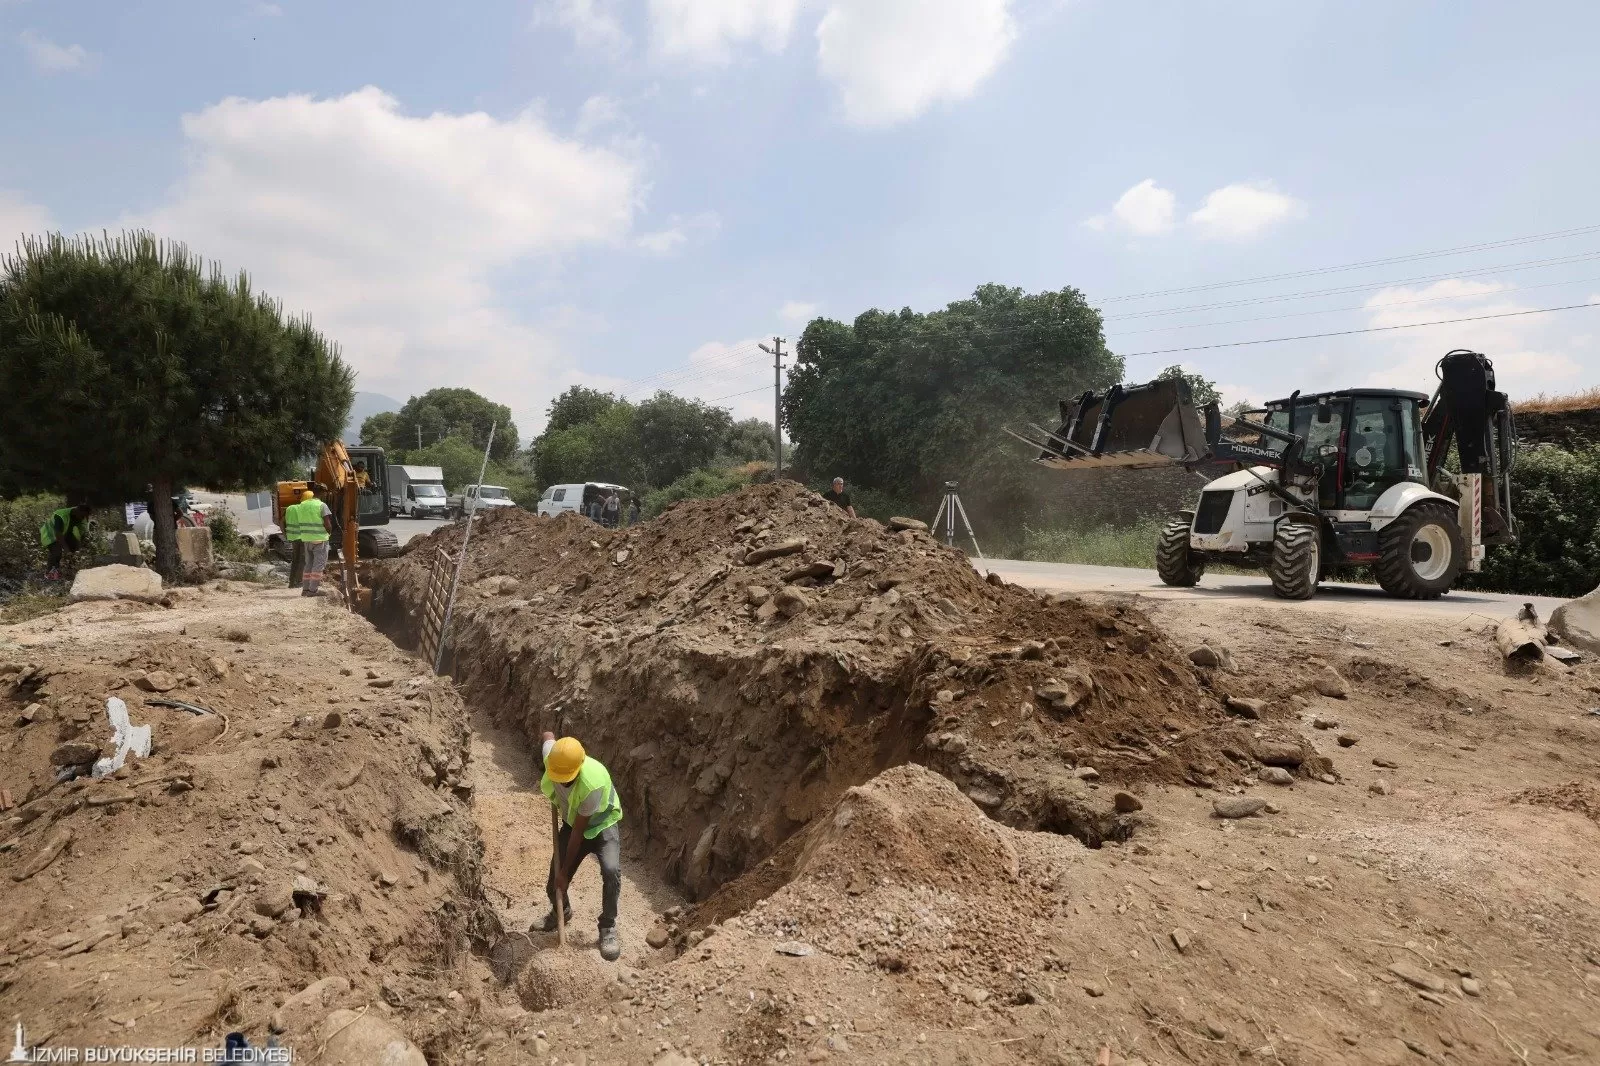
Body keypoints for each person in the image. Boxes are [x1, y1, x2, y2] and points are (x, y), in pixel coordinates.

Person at [536, 732, 623, 961]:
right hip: (572, 823)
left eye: (568, 778)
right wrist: (560, 875)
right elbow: (547, 735)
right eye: (559, 777)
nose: (563, 782)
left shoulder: (591, 783)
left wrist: (565, 872)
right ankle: (561, 911)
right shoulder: (553, 757)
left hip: (602, 825)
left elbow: (578, 833)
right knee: (552, 884)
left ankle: (608, 927)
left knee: (611, 871)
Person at [289, 485, 333, 597]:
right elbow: (328, 524)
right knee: (318, 566)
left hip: (306, 539)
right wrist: (329, 533)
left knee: (308, 564)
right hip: (320, 539)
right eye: (326, 492)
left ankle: (305, 589)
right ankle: (313, 591)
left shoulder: (302, 505)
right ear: (322, 493)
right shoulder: (322, 505)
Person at [39, 504, 93, 580]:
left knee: (75, 545)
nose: (84, 518)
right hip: (50, 535)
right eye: (83, 516)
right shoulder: (61, 516)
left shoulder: (81, 516)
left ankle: (70, 570)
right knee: (56, 552)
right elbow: (58, 536)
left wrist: (79, 547)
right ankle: (51, 575)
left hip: (64, 533)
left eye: (86, 516)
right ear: (77, 511)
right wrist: (66, 549)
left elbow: (81, 533)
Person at [285, 488, 310, 588]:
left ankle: (291, 582)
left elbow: (282, 521)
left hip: (293, 537)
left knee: (295, 559)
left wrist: (286, 534)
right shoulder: (305, 509)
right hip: (303, 537)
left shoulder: (290, 508)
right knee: (302, 560)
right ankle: (299, 581)